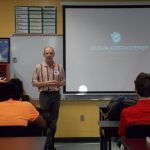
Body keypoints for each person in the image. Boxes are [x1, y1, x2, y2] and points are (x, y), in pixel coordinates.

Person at [32, 46, 65, 150]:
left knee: (54, 121)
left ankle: (50, 144)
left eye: (51, 53)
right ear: (44, 55)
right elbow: (33, 82)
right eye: (47, 53)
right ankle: (48, 145)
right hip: (44, 95)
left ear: (54, 54)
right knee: (45, 120)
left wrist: (59, 83)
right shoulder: (38, 67)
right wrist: (45, 83)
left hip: (56, 95)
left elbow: (64, 81)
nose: (49, 55)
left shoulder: (59, 67)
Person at [119, 72, 150, 137]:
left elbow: (123, 137)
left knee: (118, 140)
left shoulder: (126, 112)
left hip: (133, 147)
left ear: (136, 90)